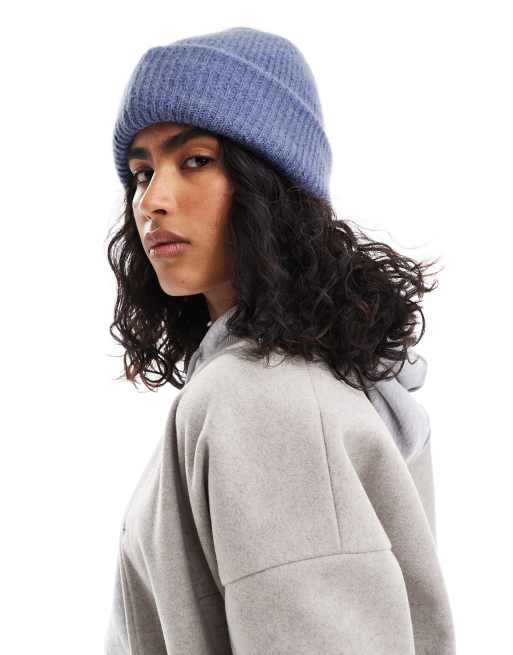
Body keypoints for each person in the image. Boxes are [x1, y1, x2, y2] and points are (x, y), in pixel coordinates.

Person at [104, 26, 456, 655]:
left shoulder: (261, 396)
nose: (152, 200)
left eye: (195, 161)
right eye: (141, 172)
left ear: (269, 181)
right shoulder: (308, 380)